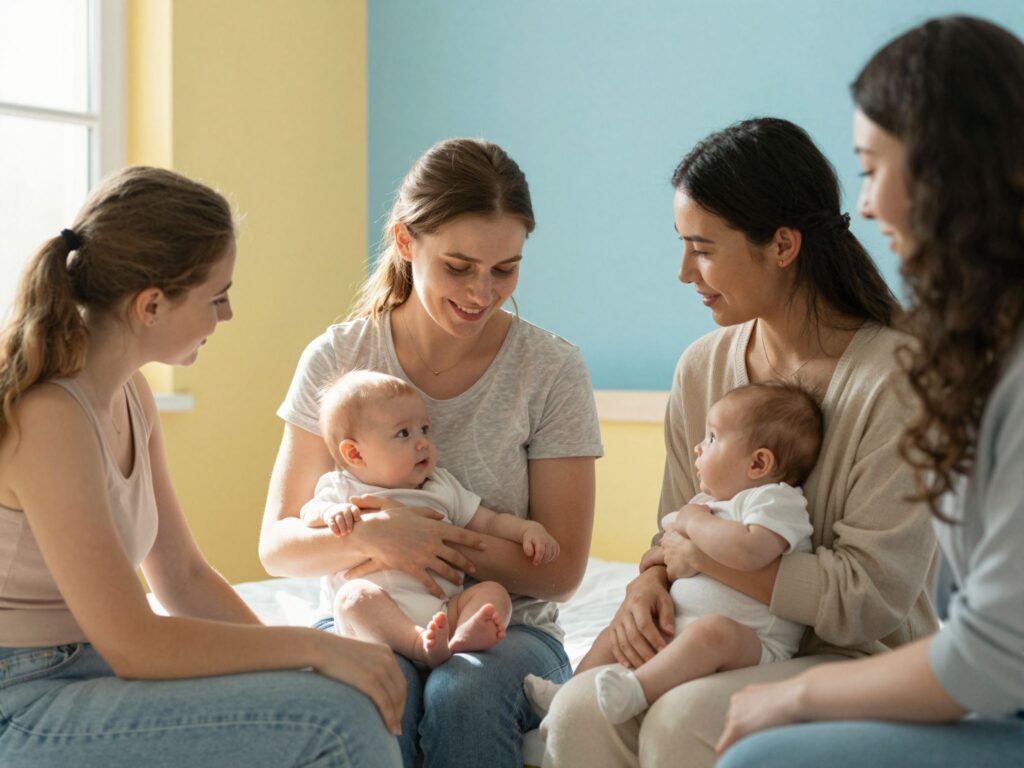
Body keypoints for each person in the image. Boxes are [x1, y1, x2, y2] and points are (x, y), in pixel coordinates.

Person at [540, 117, 939, 768]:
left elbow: (865, 599)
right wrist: (646, 585)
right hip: (710, 635)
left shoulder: (898, 381)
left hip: (859, 662)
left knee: (682, 720)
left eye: (702, 248)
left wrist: (698, 556)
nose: (682, 272)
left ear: (782, 245)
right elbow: (669, 539)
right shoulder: (702, 369)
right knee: (579, 708)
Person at [0, 167, 404, 768]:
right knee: (336, 722)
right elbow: (134, 642)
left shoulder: (131, 395)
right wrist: (316, 650)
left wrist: (304, 661)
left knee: (334, 697)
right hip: (25, 697)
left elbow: (183, 578)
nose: (229, 314)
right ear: (152, 305)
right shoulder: (51, 416)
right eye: (217, 296)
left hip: (89, 671)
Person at [715, 16, 1024, 767]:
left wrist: (792, 695)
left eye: (873, 166)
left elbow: (986, 653)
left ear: (947, 173)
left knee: (761, 755)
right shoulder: (971, 349)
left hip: (989, 689)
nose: (869, 204)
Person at [258, 138, 603, 768]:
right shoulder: (337, 360)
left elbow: (560, 570)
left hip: (509, 625)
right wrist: (382, 541)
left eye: (505, 269)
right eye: (459, 266)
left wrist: (424, 539)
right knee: (370, 693)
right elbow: (277, 547)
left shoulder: (550, 369)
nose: (482, 292)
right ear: (405, 241)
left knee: (465, 689)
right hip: (370, 610)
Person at [525, 381, 819, 724]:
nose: (698, 447)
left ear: (758, 463)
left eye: (712, 437)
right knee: (618, 632)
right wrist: (655, 566)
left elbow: (750, 552)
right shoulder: (707, 505)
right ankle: (566, 694)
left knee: (713, 632)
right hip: (681, 628)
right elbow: (663, 552)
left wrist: (693, 524)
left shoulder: (774, 500)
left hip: (752, 644)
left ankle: (636, 691)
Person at [301, 369, 559, 668]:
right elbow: (308, 515)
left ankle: (464, 635)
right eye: (404, 434)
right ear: (355, 454)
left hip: (442, 609)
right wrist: (332, 513)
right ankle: (415, 644)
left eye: (424, 429)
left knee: (493, 593)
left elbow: (487, 522)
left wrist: (527, 529)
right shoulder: (343, 488)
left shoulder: (440, 485)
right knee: (353, 599)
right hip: (381, 616)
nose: (423, 442)